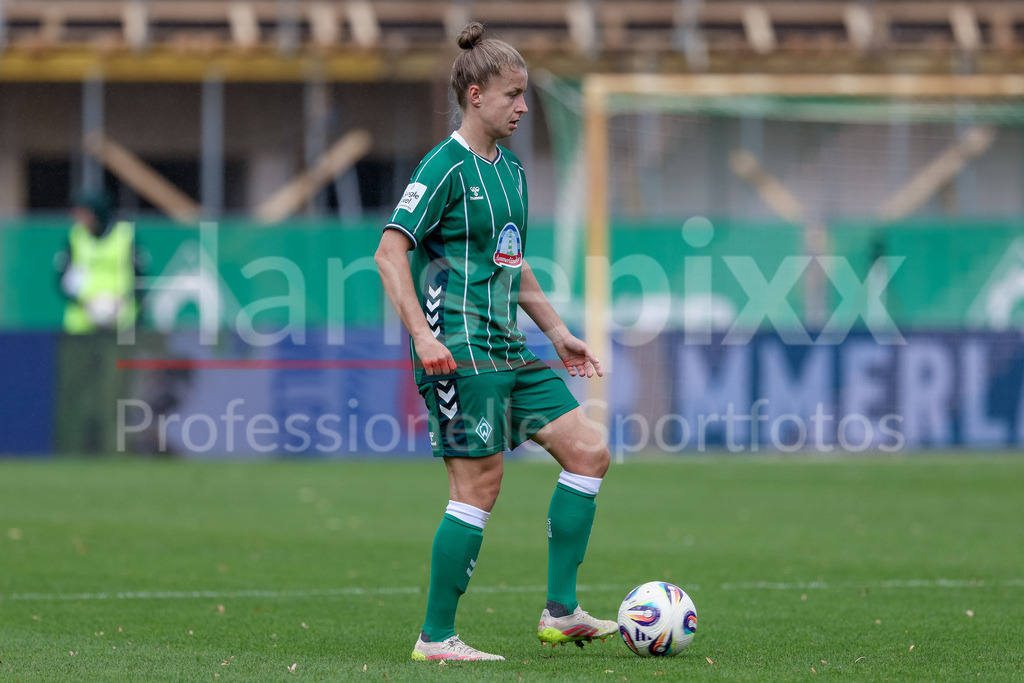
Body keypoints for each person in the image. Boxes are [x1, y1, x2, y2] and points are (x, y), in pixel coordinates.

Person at [375, 22, 614, 662]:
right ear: (475, 94)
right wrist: (423, 338)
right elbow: (389, 253)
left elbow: (513, 262)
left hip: (509, 346)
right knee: (479, 487)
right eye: (512, 95)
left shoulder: (509, 170)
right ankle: (436, 637)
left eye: (525, 94)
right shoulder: (441, 167)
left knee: (589, 453)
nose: (523, 107)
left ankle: (561, 611)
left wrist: (558, 332)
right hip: (457, 346)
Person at [55, 189, 141, 334]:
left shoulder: (125, 235)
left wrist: (122, 301)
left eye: (85, 213)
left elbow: (142, 277)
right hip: (81, 325)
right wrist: (84, 304)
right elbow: (61, 280)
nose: (80, 219)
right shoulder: (75, 237)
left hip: (121, 323)